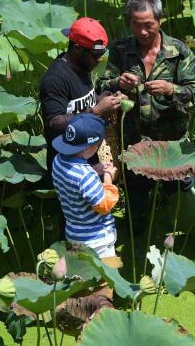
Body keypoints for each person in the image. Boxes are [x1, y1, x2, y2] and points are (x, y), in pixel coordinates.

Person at [96, 0, 195, 235]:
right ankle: (138, 243)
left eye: (148, 25)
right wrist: (118, 82)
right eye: (136, 24)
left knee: (179, 196)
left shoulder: (178, 51)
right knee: (136, 201)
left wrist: (170, 89)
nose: (142, 32)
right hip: (135, 142)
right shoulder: (121, 50)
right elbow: (101, 85)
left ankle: (178, 240)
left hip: (171, 141)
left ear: (160, 21)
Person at [51, 113, 120, 311]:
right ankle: (98, 321)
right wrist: (107, 176)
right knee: (102, 288)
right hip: (97, 241)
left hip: (74, 233)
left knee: (81, 281)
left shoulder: (58, 161)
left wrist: (96, 168)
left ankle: (76, 313)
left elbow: (76, 180)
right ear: (90, 147)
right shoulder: (85, 176)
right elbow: (103, 204)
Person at [40, 17, 122, 177]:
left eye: (102, 54)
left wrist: (107, 99)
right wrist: (97, 111)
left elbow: (84, 100)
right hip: (68, 169)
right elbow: (53, 122)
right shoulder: (55, 79)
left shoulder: (83, 65)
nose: (99, 60)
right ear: (77, 48)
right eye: (96, 55)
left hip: (88, 158)